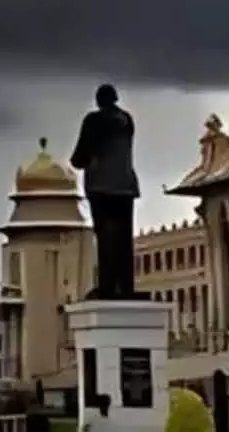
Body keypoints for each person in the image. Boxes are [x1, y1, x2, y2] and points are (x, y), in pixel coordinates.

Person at [70, 82, 140, 298]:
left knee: (106, 236)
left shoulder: (94, 120)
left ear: (99, 101)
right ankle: (126, 286)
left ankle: (108, 286)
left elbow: (80, 156)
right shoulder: (127, 120)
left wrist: (77, 161)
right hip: (126, 186)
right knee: (124, 237)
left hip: (102, 186)